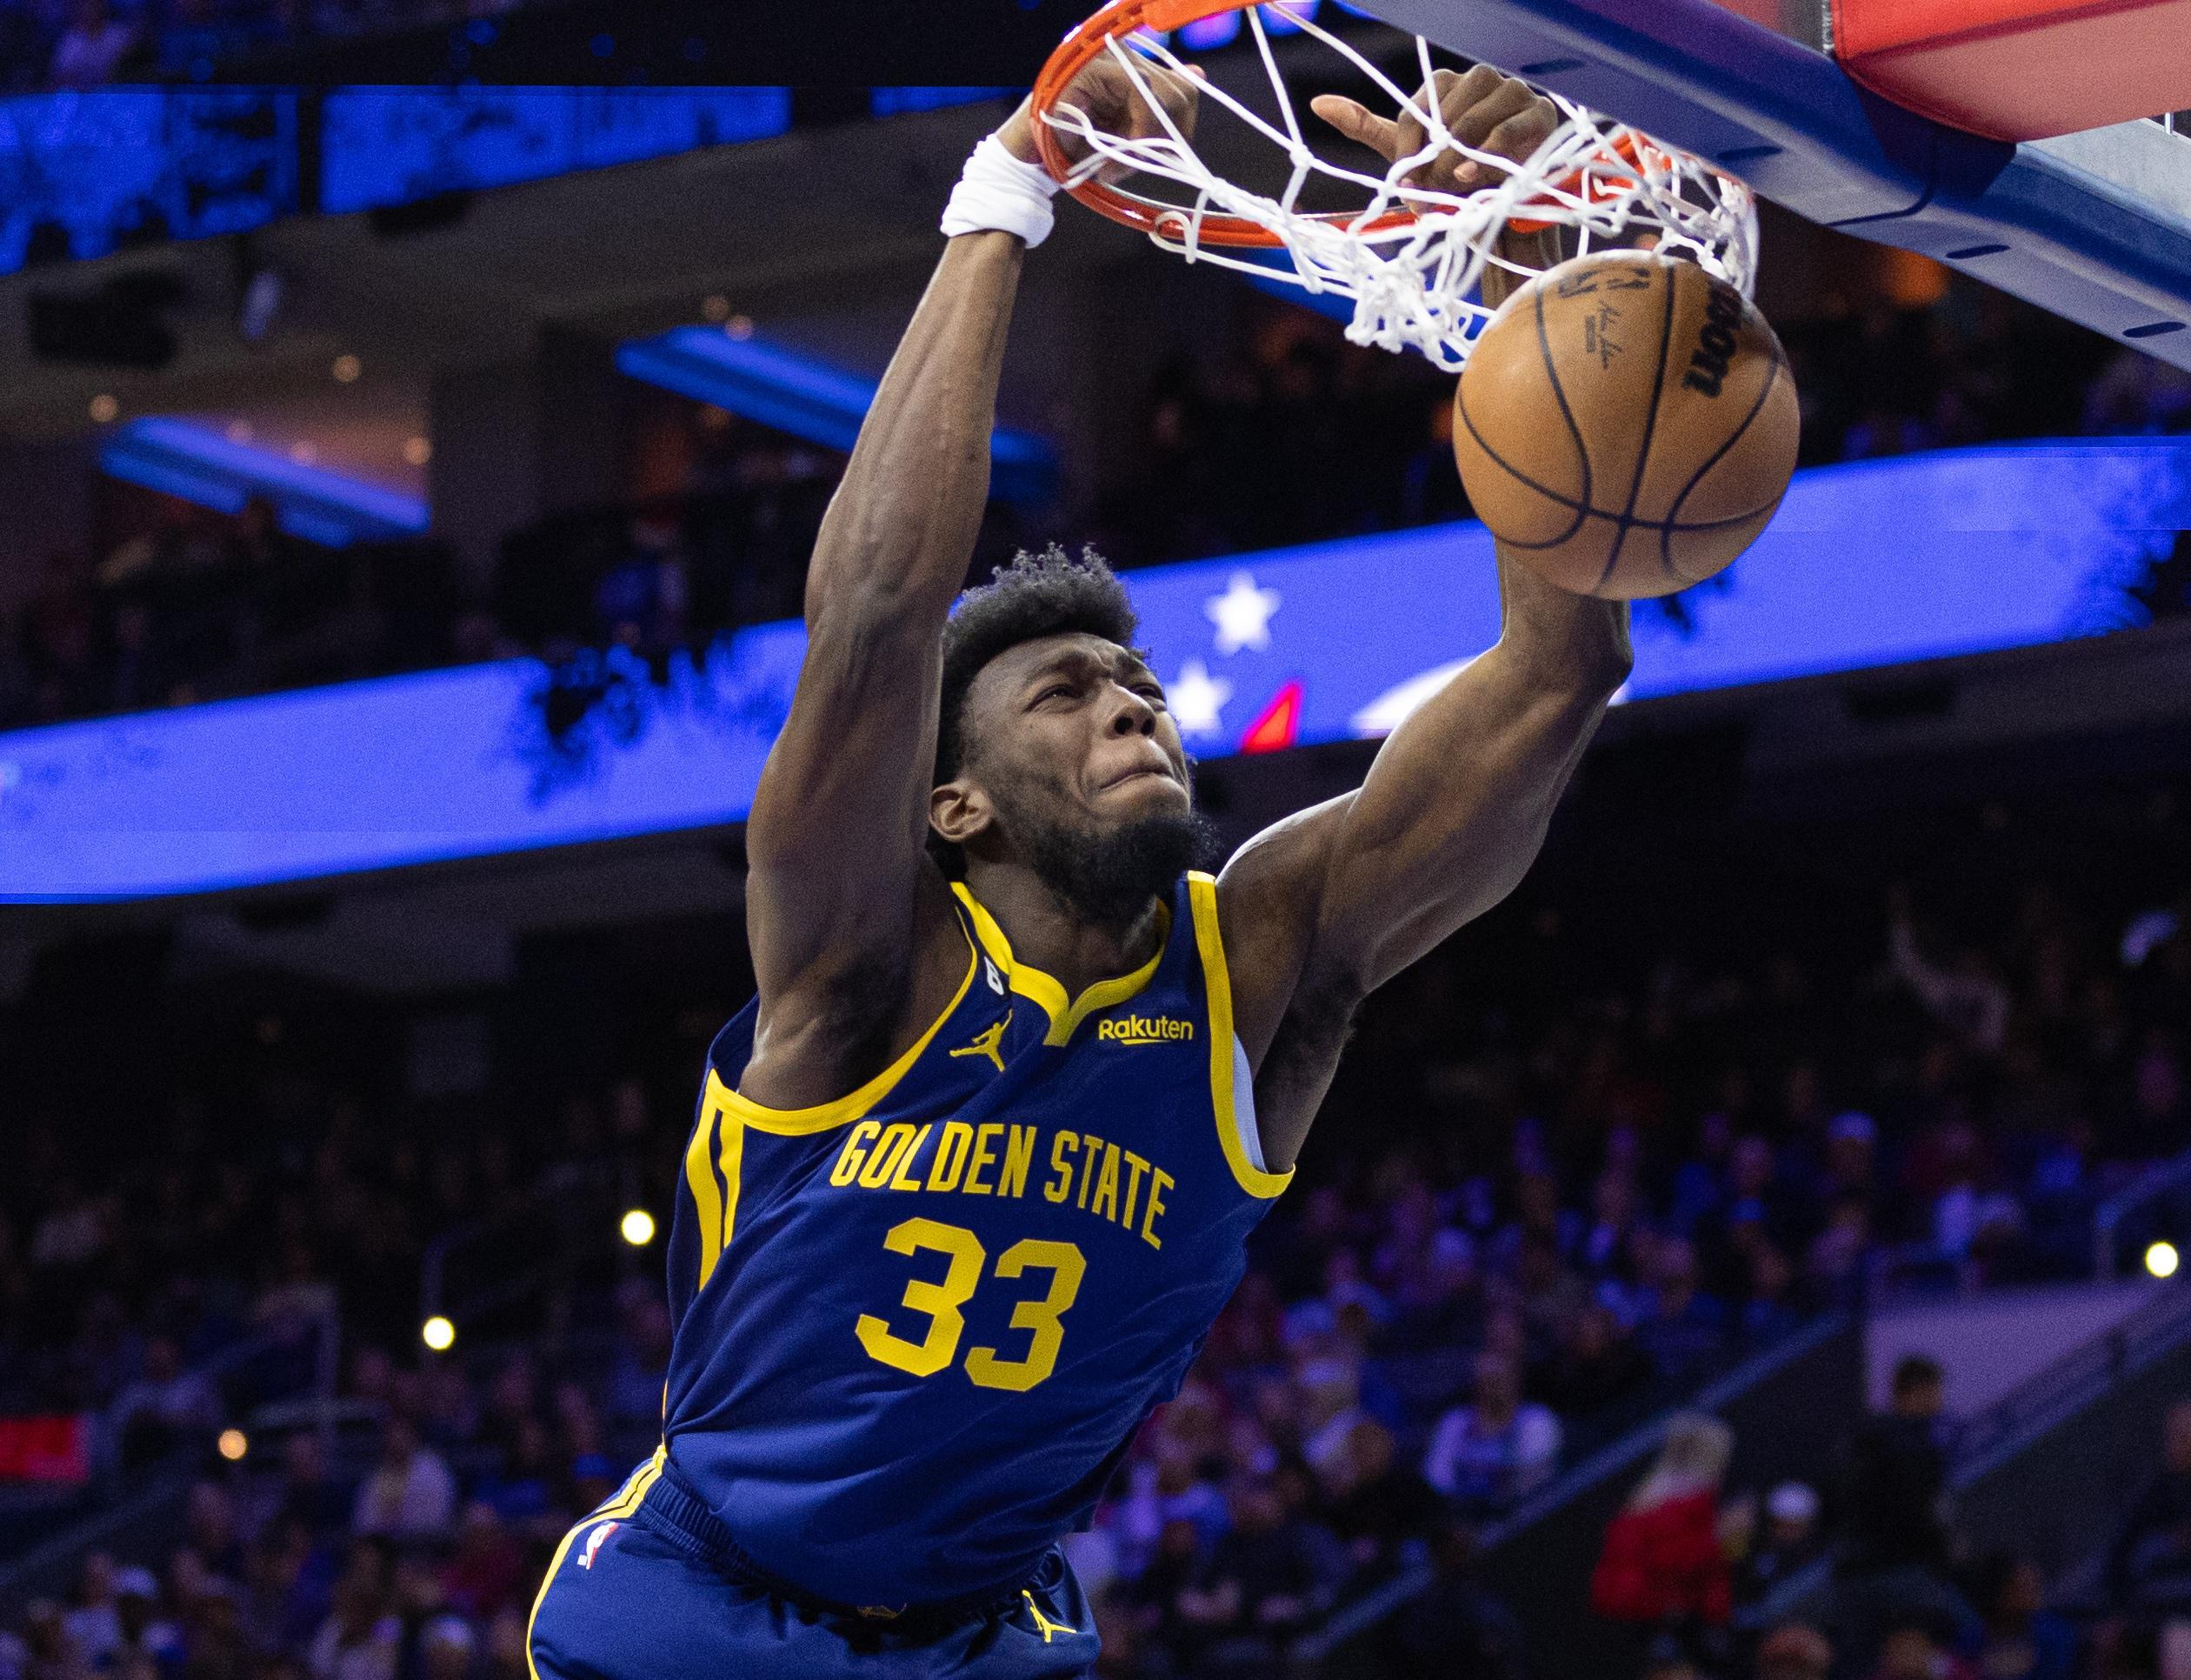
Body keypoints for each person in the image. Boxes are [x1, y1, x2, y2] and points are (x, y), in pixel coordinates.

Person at [527, 47, 1630, 1680]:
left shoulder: (1260, 962)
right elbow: (879, 617)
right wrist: (1009, 193)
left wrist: (1528, 281)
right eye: (1066, 694)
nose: (1133, 708)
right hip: (703, 1614)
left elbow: (1562, 674)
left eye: (1139, 688)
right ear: (954, 808)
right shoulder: (863, 964)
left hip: (992, 1635)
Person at [1589, 1413, 1735, 1640]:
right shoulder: (1667, 1508)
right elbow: (1678, 1572)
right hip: (1647, 1626)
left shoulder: (1667, 1500)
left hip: (1660, 1620)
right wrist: (1721, 1538)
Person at [1422, 1350, 1564, 1513]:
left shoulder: (1537, 1420)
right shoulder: (1454, 1422)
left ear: (1516, 1382)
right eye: (1487, 1382)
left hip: (1519, 1515)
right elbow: (1437, 1482)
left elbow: (1531, 1483)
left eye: (1499, 1381)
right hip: (1460, 1515)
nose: (1493, 1390)